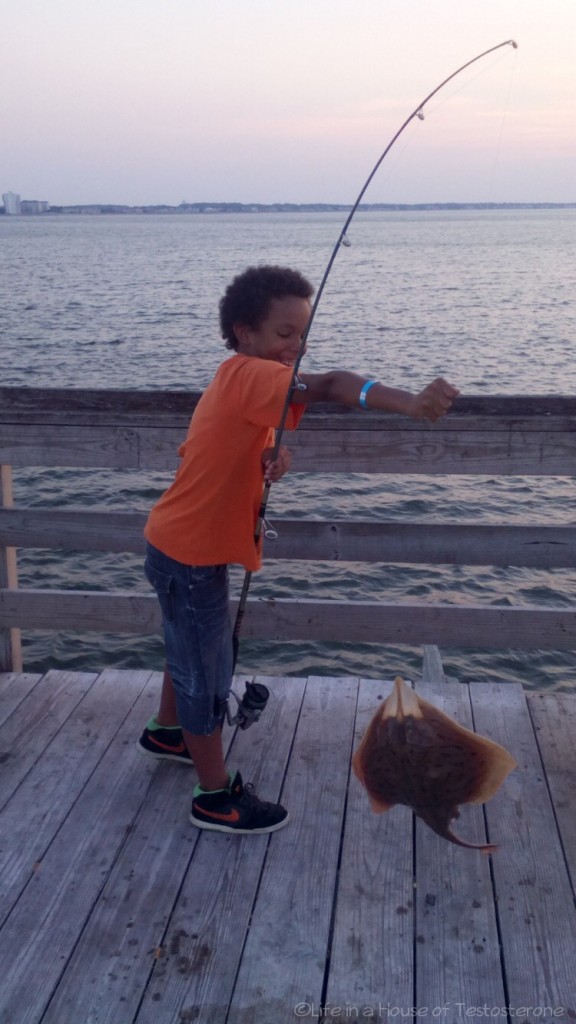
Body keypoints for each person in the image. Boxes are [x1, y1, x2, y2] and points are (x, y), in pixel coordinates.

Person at [137, 264, 459, 835]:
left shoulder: (238, 378)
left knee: (188, 647)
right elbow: (333, 384)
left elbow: (209, 447)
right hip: (188, 553)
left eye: (302, 333)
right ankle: (213, 796)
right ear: (244, 333)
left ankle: (168, 734)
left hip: (180, 544)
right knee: (205, 672)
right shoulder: (250, 374)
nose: (296, 345)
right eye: (284, 334)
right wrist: (411, 403)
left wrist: (268, 462)